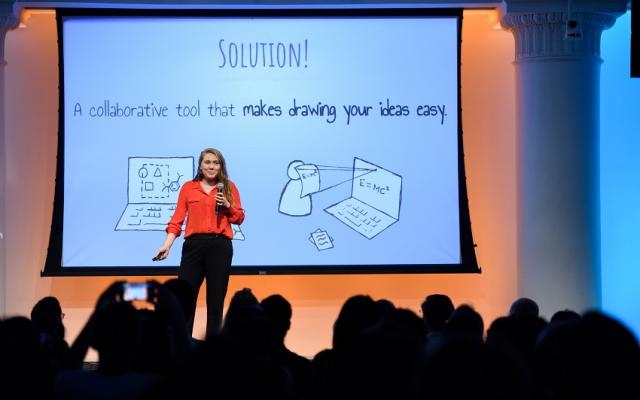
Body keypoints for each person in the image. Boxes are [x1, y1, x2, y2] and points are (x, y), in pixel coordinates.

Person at [154, 148, 245, 337]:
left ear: (221, 166)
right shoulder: (189, 187)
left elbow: (239, 218)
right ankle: (182, 346)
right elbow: (177, 219)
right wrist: (167, 244)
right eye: (208, 162)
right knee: (184, 298)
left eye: (216, 163)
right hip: (193, 247)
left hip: (220, 247)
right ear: (200, 165)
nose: (211, 166)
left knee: (216, 300)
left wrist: (227, 206)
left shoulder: (229, 187)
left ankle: (212, 350)